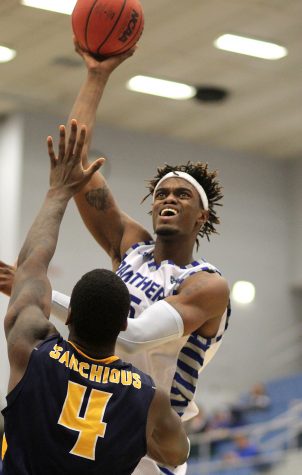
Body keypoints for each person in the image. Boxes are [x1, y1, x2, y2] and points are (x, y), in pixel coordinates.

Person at [0, 42, 230, 475]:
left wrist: (38, 292)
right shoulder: (132, 248)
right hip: (94, 402)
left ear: (202, 216)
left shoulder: (206, 283)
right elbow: (76, 164)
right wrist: (96, 76)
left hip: (149, 434)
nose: (168, 198)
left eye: (181, 194)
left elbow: (135, 335)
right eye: (161, 192)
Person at [1, 121, 189, 475]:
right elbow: (177, 454)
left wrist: (57, 193)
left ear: (67, 316)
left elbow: (31, 268)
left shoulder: (32, 351)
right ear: (123, 324)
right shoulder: (147, 396)